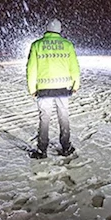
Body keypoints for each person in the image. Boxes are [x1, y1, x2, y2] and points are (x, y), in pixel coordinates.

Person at [26, 18, 80, 158]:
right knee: (64, 116)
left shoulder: (37, 45)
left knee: (44, 118)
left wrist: (32, 88)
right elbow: (74, 67)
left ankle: (42, 150)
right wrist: (75, 84)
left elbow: (31, 69)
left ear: (47, 28)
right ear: (59, 30)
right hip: (63, 88)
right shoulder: (67, 45)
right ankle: (66, 147)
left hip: (44, 89)